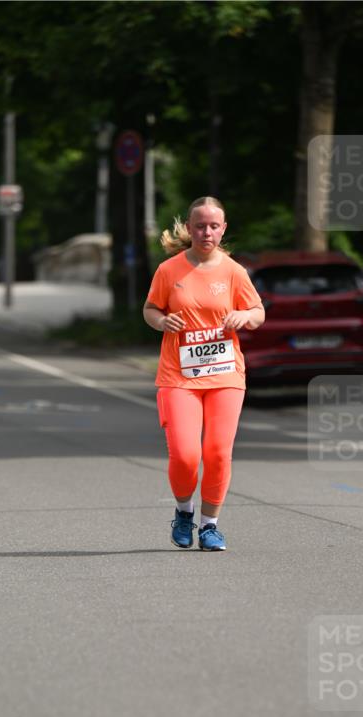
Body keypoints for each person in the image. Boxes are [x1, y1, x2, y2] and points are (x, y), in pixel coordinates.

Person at [143, 196, 264, 551]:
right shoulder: (169, 271)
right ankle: (184, 512)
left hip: (225, 376)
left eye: (214, 226)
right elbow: (150, 309)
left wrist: (245, 317)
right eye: (200, 225)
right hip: (178, 376)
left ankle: (210, 525)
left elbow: (257, 311)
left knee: (217, 452)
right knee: (184, 454)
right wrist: (162, 321)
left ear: (223, 229)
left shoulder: (233, 271)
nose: (206, 231)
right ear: (190, 228)